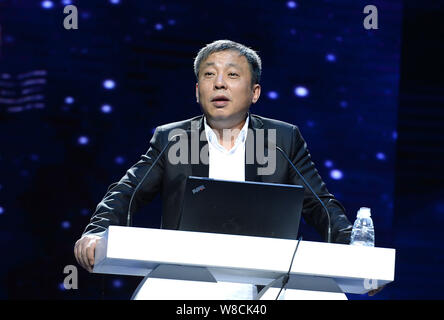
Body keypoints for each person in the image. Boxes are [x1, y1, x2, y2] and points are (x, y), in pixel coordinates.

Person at [75, 39, 382, 297]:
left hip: (263, 278)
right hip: (187, 276)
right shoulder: (174, 138)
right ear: (197, 91)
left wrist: (354, 250)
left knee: (318, 292)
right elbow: (127, 191)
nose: (219, 82)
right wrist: (98, 230)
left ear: (255, 93)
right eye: (209, 75)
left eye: (232, 75)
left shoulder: (281, 140)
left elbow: (320, 204)